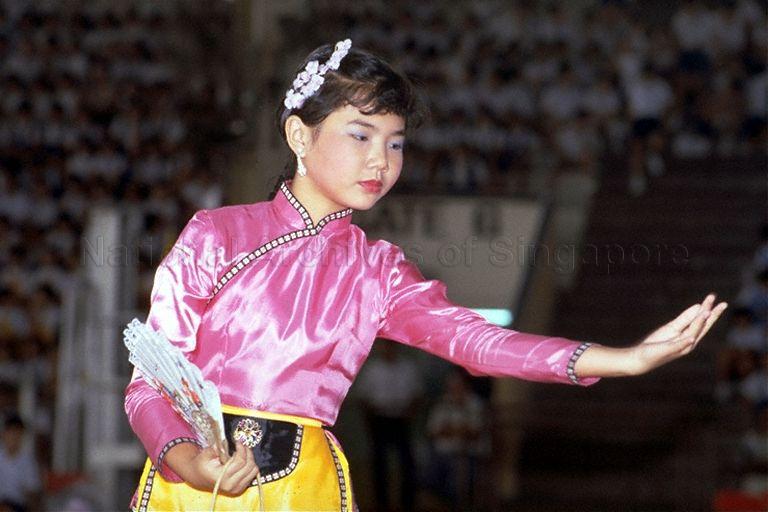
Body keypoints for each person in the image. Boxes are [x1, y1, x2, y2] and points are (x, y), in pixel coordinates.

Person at [124, 38, 728, 511]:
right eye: (360, 135)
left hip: (301, 489)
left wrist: (621, 359)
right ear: (298, 135)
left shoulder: (378, 272)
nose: (380, 161)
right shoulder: (216, 234)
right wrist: (187, 459)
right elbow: (149, 384)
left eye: (395, 144)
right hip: (189, 484)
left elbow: (477, 341)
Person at [356, 341, 423, 512]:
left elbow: (417, 395)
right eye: (384, 346)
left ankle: (408, 503)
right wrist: (369, 420)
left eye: (390, 346)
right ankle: (381, 503)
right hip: (379, 419)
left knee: (407, 462)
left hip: (402, 419)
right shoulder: (372, 369)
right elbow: (363, 398)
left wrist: (411, 414)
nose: (387, 349)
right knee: (379, 463)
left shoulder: (408, 368)